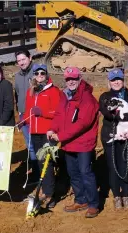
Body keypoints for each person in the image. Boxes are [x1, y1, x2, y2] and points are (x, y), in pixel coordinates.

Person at [47, 67, 100, 218]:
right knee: (74, 173)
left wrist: (61, 136)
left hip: (83, 143)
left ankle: (93, 204)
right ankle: (81, 199)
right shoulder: (65, 96)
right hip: (69, 143)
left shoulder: (87, 99)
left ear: (79, 79)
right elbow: (58, 115)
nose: (71, 82)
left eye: (74, 79)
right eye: (68, 79)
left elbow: (82, 124)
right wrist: (52, 129)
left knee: (85, 172)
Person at [99, 68, 128, 209]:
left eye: (119, 79)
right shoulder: (105, 97)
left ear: (123, 80)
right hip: (110, 136)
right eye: (113, 80)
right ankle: (117, 195)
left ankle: (127, 195)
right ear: (109, 81)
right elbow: (108, 113)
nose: (116, 82)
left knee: (126, 166)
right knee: (113, 167)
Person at [23, 64, 61, 208]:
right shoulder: (31, 91)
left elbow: (57, 112)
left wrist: (43, 113)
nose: (40, 75)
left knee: (47, 162)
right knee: (40, 162)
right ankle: (45, 190)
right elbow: (28, 111)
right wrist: (23, 121)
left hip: (48, 132)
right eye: (37, 73)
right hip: (34, 132)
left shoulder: (53, 91)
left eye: (42, 73)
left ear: (46, 74)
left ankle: (50, 194)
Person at [14, 50, 36, 175]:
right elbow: (17, 96)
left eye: (24, 59)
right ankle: (35, 169)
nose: (22, 62)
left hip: (35, 115)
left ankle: (43, 169)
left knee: (37, 142)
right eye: (19, 61)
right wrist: (19, 114)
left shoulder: (37, 73)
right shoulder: (17, 76)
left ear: (30, 58)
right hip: (23, 115)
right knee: (29, 144)